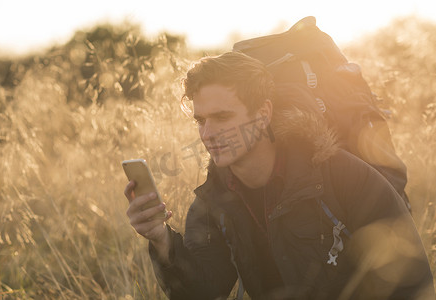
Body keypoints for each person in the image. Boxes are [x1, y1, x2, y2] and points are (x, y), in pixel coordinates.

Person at [124, 51, 434, 299]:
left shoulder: (345, 178)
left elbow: (411, 285)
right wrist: (161, 239)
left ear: (263, 114)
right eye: (201, 120)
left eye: (222, 117)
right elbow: (204, 291)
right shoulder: (212, 202)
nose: (208, 134)